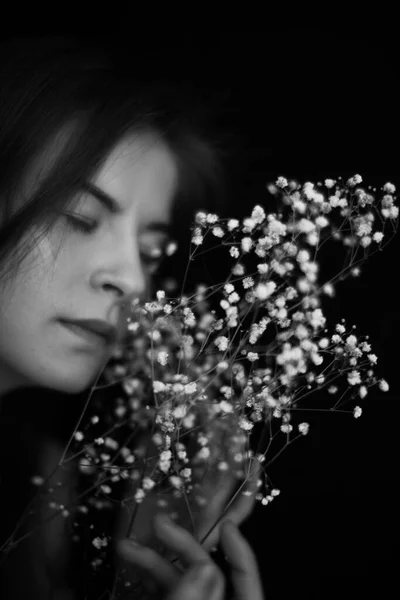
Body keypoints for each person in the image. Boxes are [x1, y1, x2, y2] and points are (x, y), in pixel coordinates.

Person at [0, 35, 265, 598]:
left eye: (149, 251)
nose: (134, 281)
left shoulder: (40, 486)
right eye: (79, 216)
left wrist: (144, 570)